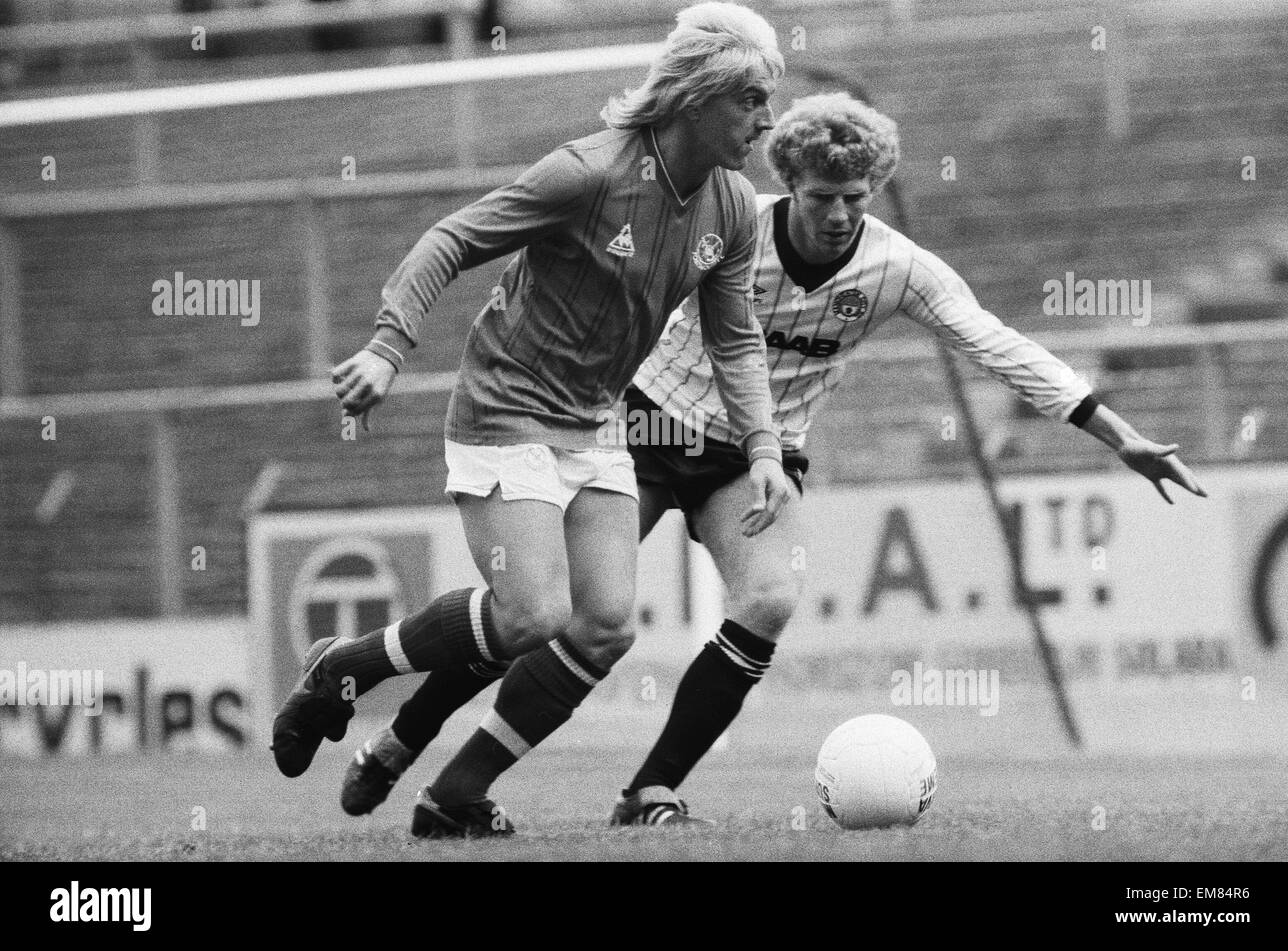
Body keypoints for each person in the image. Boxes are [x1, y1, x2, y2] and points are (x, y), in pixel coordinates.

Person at [337, 92, 1208, 827]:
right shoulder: (727, 225)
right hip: (642, 427)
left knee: (771, 595)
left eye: (857, 197)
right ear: (788, 181)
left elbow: (996, 344)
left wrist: (1113, 430)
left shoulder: (896, 268)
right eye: (824, 194)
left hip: (757, 457)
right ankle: (402, 737)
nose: (839, 214)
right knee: (549, 610)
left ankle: (642, 789)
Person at [270, 2, 788, 838]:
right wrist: (386, 349)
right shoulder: (587, 172)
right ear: (698, 96)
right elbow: (449, 239)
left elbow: (736, 340)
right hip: (504, 407)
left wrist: (763, 446)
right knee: (531, 615)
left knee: (607, 624)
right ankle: (347, 666)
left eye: (769, 101)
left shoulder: (731, 207)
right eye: (752, 101)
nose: (767, 120)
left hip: (593, 421)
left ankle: (452, 797)